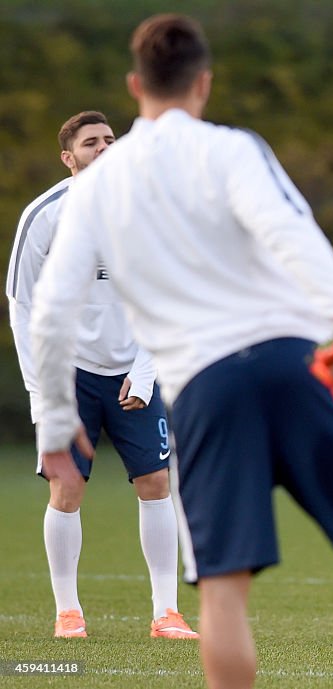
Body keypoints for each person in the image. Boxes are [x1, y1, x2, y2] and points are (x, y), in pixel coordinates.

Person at [29, 14, 333, 689]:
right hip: (290, 354)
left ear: (134, 85)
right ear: (203, 84)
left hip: (206, 387)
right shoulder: (235, 149)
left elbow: (50, 314)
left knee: (223, 591)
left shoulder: (94, 187)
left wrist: (56, 418)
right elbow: (294, 237)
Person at [5, 110, 198, 640]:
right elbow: (21, 306)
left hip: (133, 372)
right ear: (69, 158)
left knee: (157, 483)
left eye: (111, 139)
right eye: (92, 143)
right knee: (66, 487)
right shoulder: (44, 215)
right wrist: (40, 391)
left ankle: (167, 614)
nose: (105, 148)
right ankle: (68, 612)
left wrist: (145, 370)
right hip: (68, 376)